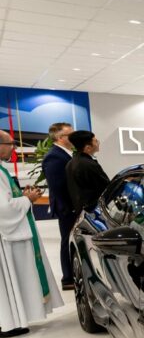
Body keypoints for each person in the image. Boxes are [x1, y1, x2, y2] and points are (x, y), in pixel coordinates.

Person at [0, 130, 64, 338]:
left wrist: (24, 196)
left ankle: (12, 321)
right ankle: (7, 323)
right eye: (10, 144)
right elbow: (3, 209)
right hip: (5, 239)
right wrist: (28, 199)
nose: (13, 148)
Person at [41, 122, 76, 290]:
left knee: (71, 241)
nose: (74, 137)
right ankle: (68, 279)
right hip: (68, 208)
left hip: (72, 207)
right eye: (71, 134)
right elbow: (58, 186)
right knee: (67, 242)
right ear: (60, 137)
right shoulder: (54, 156)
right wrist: (71, 208)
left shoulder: (65, 154)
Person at [65, 130, 110, 214]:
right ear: (88, 148)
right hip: (94, 210)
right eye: (96, 141)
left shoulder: (71, 162)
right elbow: (105, 188)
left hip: (81, 209)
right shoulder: (89, 165)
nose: (98, 143)